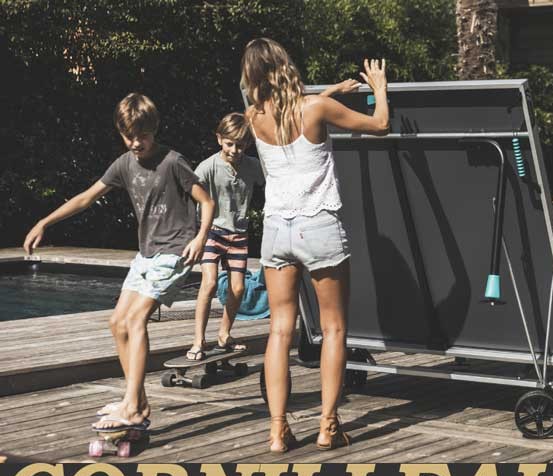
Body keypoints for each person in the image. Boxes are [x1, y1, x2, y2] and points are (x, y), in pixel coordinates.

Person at [23, 93, 214, 430]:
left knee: (136, 320)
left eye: (143, 135)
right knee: (117, 323)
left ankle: (133, 407)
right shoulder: (124, 164)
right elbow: (86, 197)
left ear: (154, 130)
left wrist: (200, 238)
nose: (136, 143)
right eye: (129, 136)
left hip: (174, 251)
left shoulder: (173, 161)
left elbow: (207, 201)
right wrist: (44, 222)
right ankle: (136, 400)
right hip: (146, 254)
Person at [241, 37, 389, 452]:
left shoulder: (253, 117)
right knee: (333, 327)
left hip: (277, 230)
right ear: (284, 66)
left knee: (279, 330)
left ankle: (277, 431)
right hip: (318, 225)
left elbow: (290, 109)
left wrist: (331, 92)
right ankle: (328, 426)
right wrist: (379, 89)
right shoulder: (316, 109)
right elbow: (380, 125)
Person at [187, 113, 265, 360]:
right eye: (229, 144)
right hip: (212, 231)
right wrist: (194, 233)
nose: (234, 150)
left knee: (238, 287)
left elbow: (272, 182)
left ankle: (224, 333)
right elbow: (189, 193)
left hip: (238, 234)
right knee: (209, 283)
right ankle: (198, 339)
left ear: (248, 144)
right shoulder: (208, 167)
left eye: (240, 145)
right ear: (219, 139)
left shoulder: (252, 166)